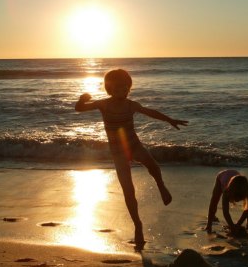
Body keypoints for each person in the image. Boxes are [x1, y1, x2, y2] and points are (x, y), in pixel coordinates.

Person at [75, 68, 188, 248]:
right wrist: (82, 99)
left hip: (134, 146)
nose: (123, 90)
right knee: (128, 190)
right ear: (109, 89)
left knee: (153, 166)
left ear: (130, 88)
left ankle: (161, 185)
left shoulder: (131, 105)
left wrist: (169, 120)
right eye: (118, 87)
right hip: (118, 153)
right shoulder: (103, 104)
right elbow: (79, 109)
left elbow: (151, 112)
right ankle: (138, 225)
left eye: (126, 87)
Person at [205, 169, 248, 237]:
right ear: (231, 192)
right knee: (214, 200)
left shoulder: (247, 193)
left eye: (240, 197)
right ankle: (209, 224)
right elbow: (226, 212)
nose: (237, 200)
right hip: (221, 177)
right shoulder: (226, 192)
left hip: (237, 180)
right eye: (235, 197)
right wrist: (232, 226)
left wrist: (238, 224)